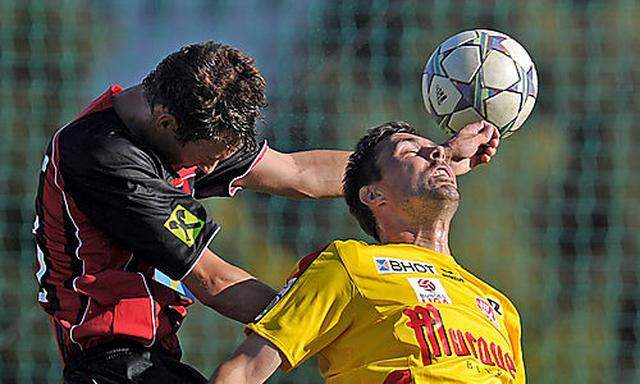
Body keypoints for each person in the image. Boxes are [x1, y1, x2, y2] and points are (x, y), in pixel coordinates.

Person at [33, 40, 498, 383]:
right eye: (212, 156)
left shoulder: (192, 114)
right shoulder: (105, 159)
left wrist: (433, 164)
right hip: (111, 363)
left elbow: (297, 173)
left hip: (155, 359)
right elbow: (215, 282)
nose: (216, 166)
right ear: (168, 125)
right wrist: (340, 309)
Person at [211, 121, 523, 384]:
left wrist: (443, 155)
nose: (438, 153)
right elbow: (243, 372)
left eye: (437, 151)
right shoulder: (351, 264)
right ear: (373, 195)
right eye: (410, 150)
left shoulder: (501, 307)